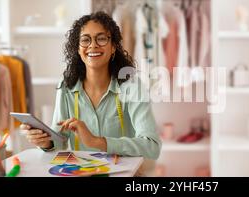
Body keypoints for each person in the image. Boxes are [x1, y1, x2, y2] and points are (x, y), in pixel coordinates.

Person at [20, 12, 161, 175]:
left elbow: (152, 146)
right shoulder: (66, 86)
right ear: (78, 49)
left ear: (113, 46)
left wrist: (97, 142)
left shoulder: (132, 87)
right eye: (85, 40)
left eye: (101, 38)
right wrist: (45, 142)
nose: (93, 45)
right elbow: (59, 139)